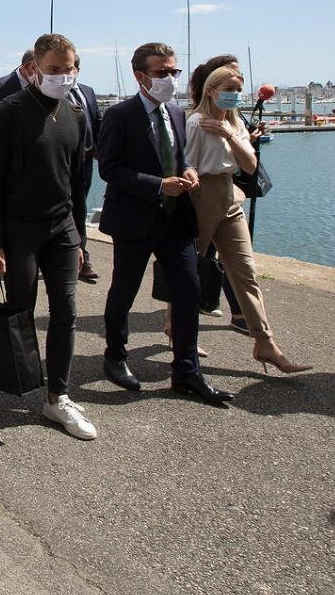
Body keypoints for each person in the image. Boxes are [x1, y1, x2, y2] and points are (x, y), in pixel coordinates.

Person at [96, 42, 233, 405]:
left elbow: (180, 154)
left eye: (174, 72)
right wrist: (158, 184)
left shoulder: (175, 112)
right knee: (123, 292)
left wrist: (187, 170)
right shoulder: (119, 116)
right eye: (162, 73)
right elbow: (109, 169)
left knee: (189, 292)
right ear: (141, 76)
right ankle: (115, 356)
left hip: (177, 221)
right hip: (135, 220)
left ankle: (186, 371)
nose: (170, 78)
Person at [0, 33, 95, 440]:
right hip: (18, 230)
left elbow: (78, 184)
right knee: (21, 309)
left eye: (70, 69)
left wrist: (80, 239)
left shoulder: (75, 115)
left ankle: (56, 397)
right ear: (33, 70)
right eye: (54, 70)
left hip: (62, 227)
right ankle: (20, 377)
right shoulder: (7, 113)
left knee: (66, 311)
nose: (64, 77)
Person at [186, 66, 312, 374]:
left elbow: (251, 165)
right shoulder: (196, 122)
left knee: (246, 271)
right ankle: (177, 330)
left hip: (230, 193)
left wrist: (230, 133)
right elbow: (186, 161)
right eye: (228, 88)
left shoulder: (235, 122)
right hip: (202, 193)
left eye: (238, 89)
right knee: (189, 270)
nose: (234, 94)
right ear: (211, 90)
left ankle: (265, 343)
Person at [70, 55, 103, 281]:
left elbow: (97, 121)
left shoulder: (87, 91)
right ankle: (78, 255)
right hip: (65, 161)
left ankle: (80, 254)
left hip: (88, 158)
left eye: (70, 68)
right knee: (72, 207)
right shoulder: (53, 93)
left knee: (80, 205)